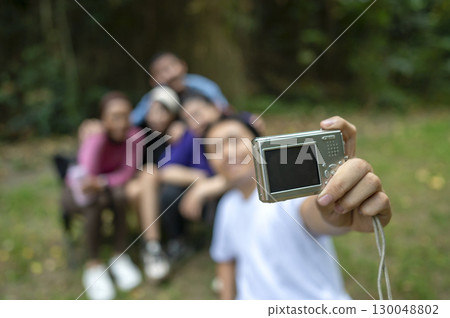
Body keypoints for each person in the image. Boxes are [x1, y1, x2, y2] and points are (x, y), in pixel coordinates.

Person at [205, 116, 392, 300]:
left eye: (234, 140)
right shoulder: (227, 205)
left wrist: (336, 209)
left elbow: (314, 212)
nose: (227, 152)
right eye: (214, 149)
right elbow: (225, 258)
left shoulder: (290, 192)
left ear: (259, 143)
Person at [61, 91, 142, 300]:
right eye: (114, 116)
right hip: (78, 193)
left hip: (106, 188)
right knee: (98, 201)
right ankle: (93, 264)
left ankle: (119, 254)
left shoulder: (135, 136)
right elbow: (87, 174)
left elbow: (126, 173)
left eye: (126, 115)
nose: (121, 122)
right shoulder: (96, 137)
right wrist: (96, 139)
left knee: (119, 195)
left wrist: (102, 182)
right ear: (103, 118)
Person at [125, 86, 180, 282]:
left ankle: (150, 245)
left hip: (164, 184)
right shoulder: (137, 132)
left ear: (172, 114)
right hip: (138, 184)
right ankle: (152, 245)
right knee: (135, 190)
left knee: (147, 175)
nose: (156, 116)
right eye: (152, 110)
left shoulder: (178, 134)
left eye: (162, 110)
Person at [130, 52, 230, 127]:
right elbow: (132, 121)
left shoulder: (202, 85)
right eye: (160, 72)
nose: (170, 74)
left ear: (183, 65)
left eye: (172, 66)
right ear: (153, 81)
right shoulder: (151, 100)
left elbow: (225, 110)